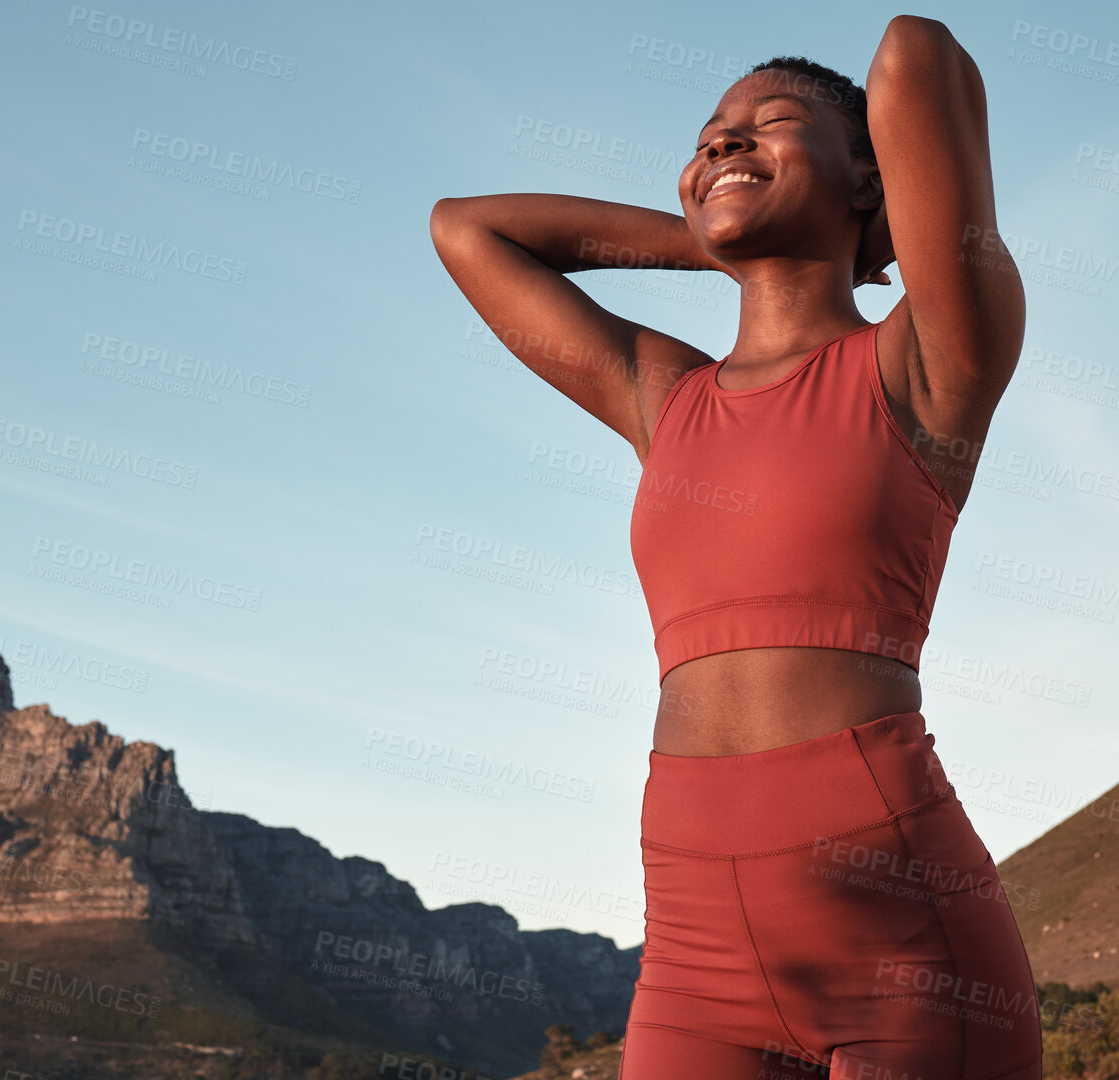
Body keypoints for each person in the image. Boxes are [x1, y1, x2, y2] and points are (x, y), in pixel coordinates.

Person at [430, 16, 1037, 1079]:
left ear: (866, 178)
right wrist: (713, 235)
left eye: (771, 125)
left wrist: (873, 233)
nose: (722, 145)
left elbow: (915, 56)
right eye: (709, 137)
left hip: (902, 940)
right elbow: (465, 231)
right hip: (693, 948)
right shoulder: (667, 399)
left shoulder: (927, 360)